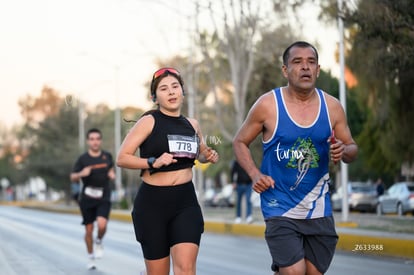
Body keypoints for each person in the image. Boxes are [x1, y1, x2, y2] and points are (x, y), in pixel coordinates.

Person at [233, 41, 358, 275]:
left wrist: (344, 150)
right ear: (285, 70)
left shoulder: (332, 107)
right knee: (294, 272)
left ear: (318, 70)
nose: (305, 68)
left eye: (311, 62)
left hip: (318, 208)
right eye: (297, 62)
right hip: (278, 205)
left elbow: (352, 148)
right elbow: (239, 141)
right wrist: (255, 174)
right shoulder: (268, 105)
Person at [116, 67, 219, 275]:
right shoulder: (149, 121)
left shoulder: (193, 124)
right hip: (152, 205)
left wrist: (208, 155)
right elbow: (122, 158)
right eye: (164, 89)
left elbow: (199, 153)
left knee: (186, 269)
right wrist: (153, 161)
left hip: (185, 202)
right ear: (155, 97)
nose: (171, 92)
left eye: (175, 86)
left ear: (182, 91)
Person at [70, 128, 115, 270]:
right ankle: (91, 257)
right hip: (87, 197)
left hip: (103, 195)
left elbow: (110, 169)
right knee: (89, 230)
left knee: (102, 224)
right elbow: (72, 177)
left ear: (100, 141)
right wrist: (81, 173)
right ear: (88, 141)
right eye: (92, 139)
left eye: (97, 139)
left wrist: (112, 174)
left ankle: (99, 240)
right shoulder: (83, 159)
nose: (95, 142)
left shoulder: (107, 156)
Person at [230, 159, 253, 223]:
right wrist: (233, 182)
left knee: (248, 200)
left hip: (249, 184)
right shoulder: (237, 161)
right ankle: (238, 217)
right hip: (239, 184)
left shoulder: (249, 160)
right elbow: (232, 172)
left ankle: (249, 216)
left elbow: (253, 170)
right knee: (238, 201)